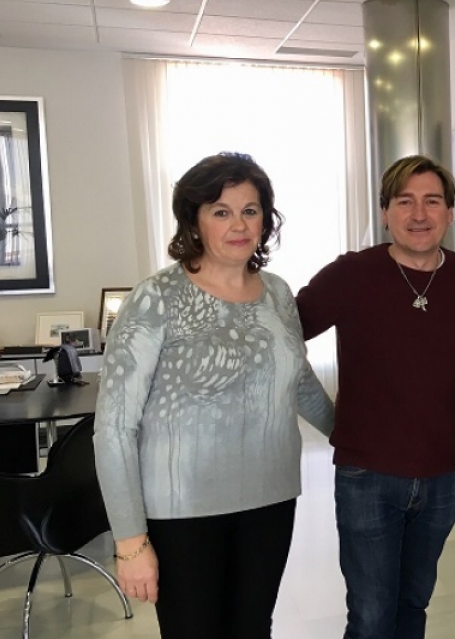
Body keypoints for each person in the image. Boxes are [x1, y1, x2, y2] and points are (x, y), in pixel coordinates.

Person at [94, 152, 335, 639]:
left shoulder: (277, 293)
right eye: (221, 211)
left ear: (265, 219)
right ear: (194, 220)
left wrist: (350, 438)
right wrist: (130, 541)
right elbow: (115, 427)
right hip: (182, 510)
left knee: (253, 628)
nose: (239, 225)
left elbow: (299, 380)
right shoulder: (156, 297)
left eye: (250, 210)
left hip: (271, 499)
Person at [295, 154, 455, 639]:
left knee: (414, 604)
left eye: (432, 201)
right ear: (385, 212)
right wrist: (323, 415)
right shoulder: (351, 274)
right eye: (405, 201)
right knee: (370, 615)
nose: (419, 214)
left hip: (443, 473)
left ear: (450, 212)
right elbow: (282, 335)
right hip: (367, 474)